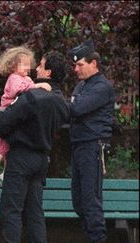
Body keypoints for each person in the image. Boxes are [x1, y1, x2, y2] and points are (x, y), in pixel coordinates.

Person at [0, 51, 70, 242]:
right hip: (42, 158)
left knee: (11, 209)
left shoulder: (33, 96)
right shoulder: (61, 101)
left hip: (21, 157)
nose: (36, 68)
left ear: (48, 73)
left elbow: (1, 124)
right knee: (34, 211)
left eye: (41, 65)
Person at [67, 40, 115, 243]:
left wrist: (72, 103)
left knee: (90, 201)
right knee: (79, 202)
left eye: (80, 65)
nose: (76, 69)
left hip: (93, 146)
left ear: (94, 63)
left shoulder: (102, 87)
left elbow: (76, 109)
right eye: (75, 65)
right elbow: (72, 109)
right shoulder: (82, 85)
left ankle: (97, 239)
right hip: (79, 145)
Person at [0, 46, 52, 186]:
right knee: (4, 142)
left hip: (17, 111)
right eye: (24, 65)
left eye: (29, 65)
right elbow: (17, 90)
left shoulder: (26, 78)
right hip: (8, 109)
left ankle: (5, 169)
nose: (28, 68)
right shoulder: (14, 78)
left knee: (10, 143)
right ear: (13, 65)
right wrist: (38, 86)